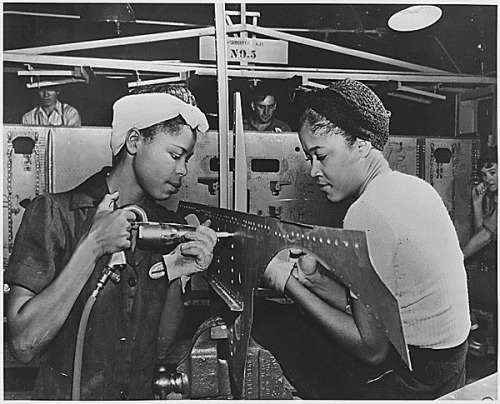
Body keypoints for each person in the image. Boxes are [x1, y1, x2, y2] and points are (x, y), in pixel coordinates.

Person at [255, 79, 470, 400]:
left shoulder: (367, 212)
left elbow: (372, 349)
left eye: (321, 155)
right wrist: (313, 281)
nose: (314, 171)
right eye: (309, 158)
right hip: (449, 367)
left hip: (410, 379)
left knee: (268, 319)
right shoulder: (415, 187)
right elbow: (380, 304)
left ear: (361, 144)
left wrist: (288, 284)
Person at [5, 92, 217, 400]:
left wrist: (174, 275)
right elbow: (24, 344)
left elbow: (162, 347)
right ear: (134, 142)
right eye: (175, 155)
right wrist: (93, 247)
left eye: (187, 159)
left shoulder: (159, 228)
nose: (183, 171)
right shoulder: (54, 214)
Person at [462, 146, 497, 356]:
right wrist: (477, 204)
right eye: (485, 175)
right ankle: (475, 333)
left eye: (493, 172)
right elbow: (481, 232)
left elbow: (485, 237)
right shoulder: (494, 198)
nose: (488, 179)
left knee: (458, 277)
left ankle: (474, 334)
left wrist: (457, 258)